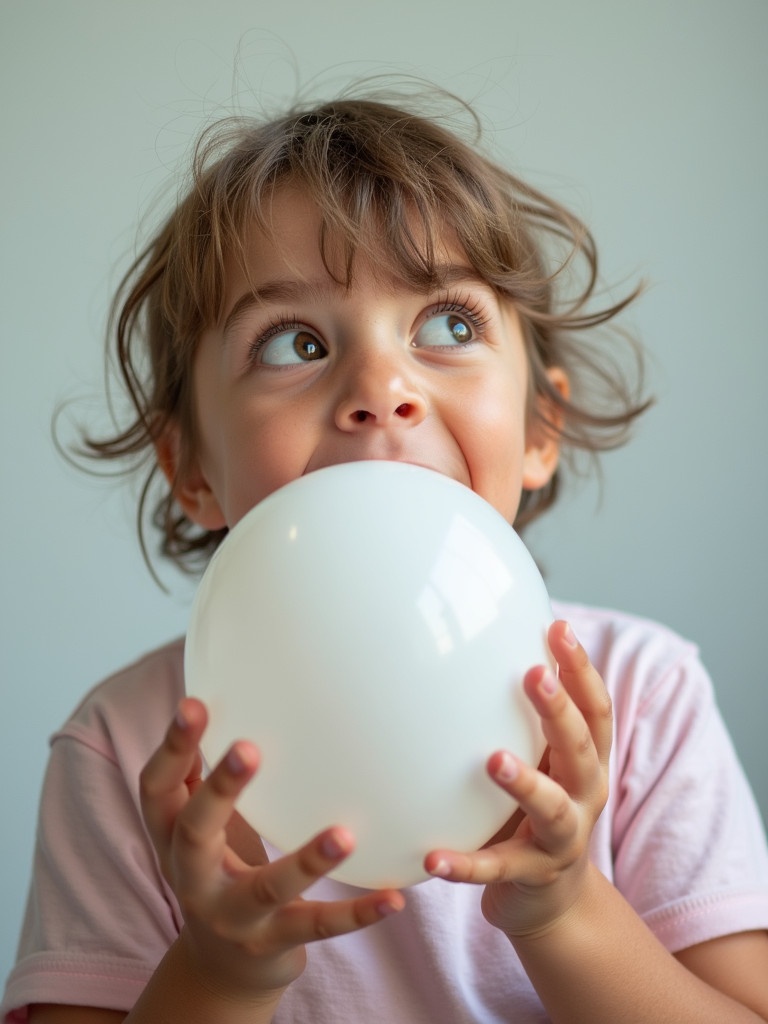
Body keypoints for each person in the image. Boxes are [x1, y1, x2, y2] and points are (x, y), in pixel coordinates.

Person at [3, 90, 768, 1024]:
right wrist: (219, 972)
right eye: (295, 342)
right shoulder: (127, 754)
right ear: (190, 469)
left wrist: (567, 909)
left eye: (448, 325)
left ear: (539, 427)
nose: (381, 389)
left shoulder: (645, 697)